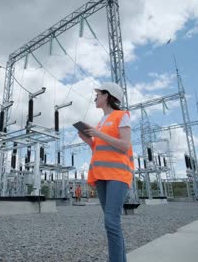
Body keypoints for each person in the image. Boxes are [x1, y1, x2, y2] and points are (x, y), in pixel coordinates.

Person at [78, 82, 133, 262]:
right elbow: (98, 148)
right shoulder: (101, 122)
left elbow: (125, 146)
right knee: (112, 224)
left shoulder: (121, 116)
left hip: (118, 176)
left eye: (98, 94)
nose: (95, 97)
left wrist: (97, 133)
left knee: (111, 223)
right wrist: (88, 139)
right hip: (101, 175)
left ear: (107, 96)